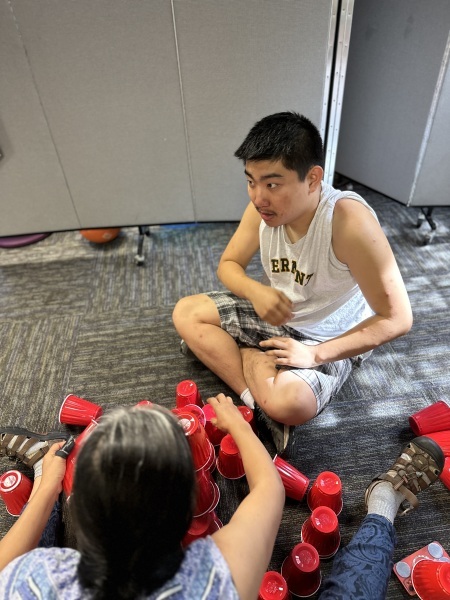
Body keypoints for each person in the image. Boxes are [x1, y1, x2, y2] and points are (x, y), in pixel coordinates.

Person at [172, 112, 413, 453]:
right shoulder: (262, 209)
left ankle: (237, 352)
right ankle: (253, 401)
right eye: (251, 181)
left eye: (272, 184)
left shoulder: (349, 223)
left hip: (329, 335)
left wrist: (315, 355)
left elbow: (398, 318)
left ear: (313, 179)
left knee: (291, 404)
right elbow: (228, 265)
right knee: (186, 313)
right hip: (279, 316)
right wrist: (255, 291)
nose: (258, 197)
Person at [0, 394, 285, 599]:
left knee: (34, 524)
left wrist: (48, 487)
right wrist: (238, 425)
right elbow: (269, 488)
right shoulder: (217, 581)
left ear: (79, 514)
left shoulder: (32, 577)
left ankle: (44, 469)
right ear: (188, 511)